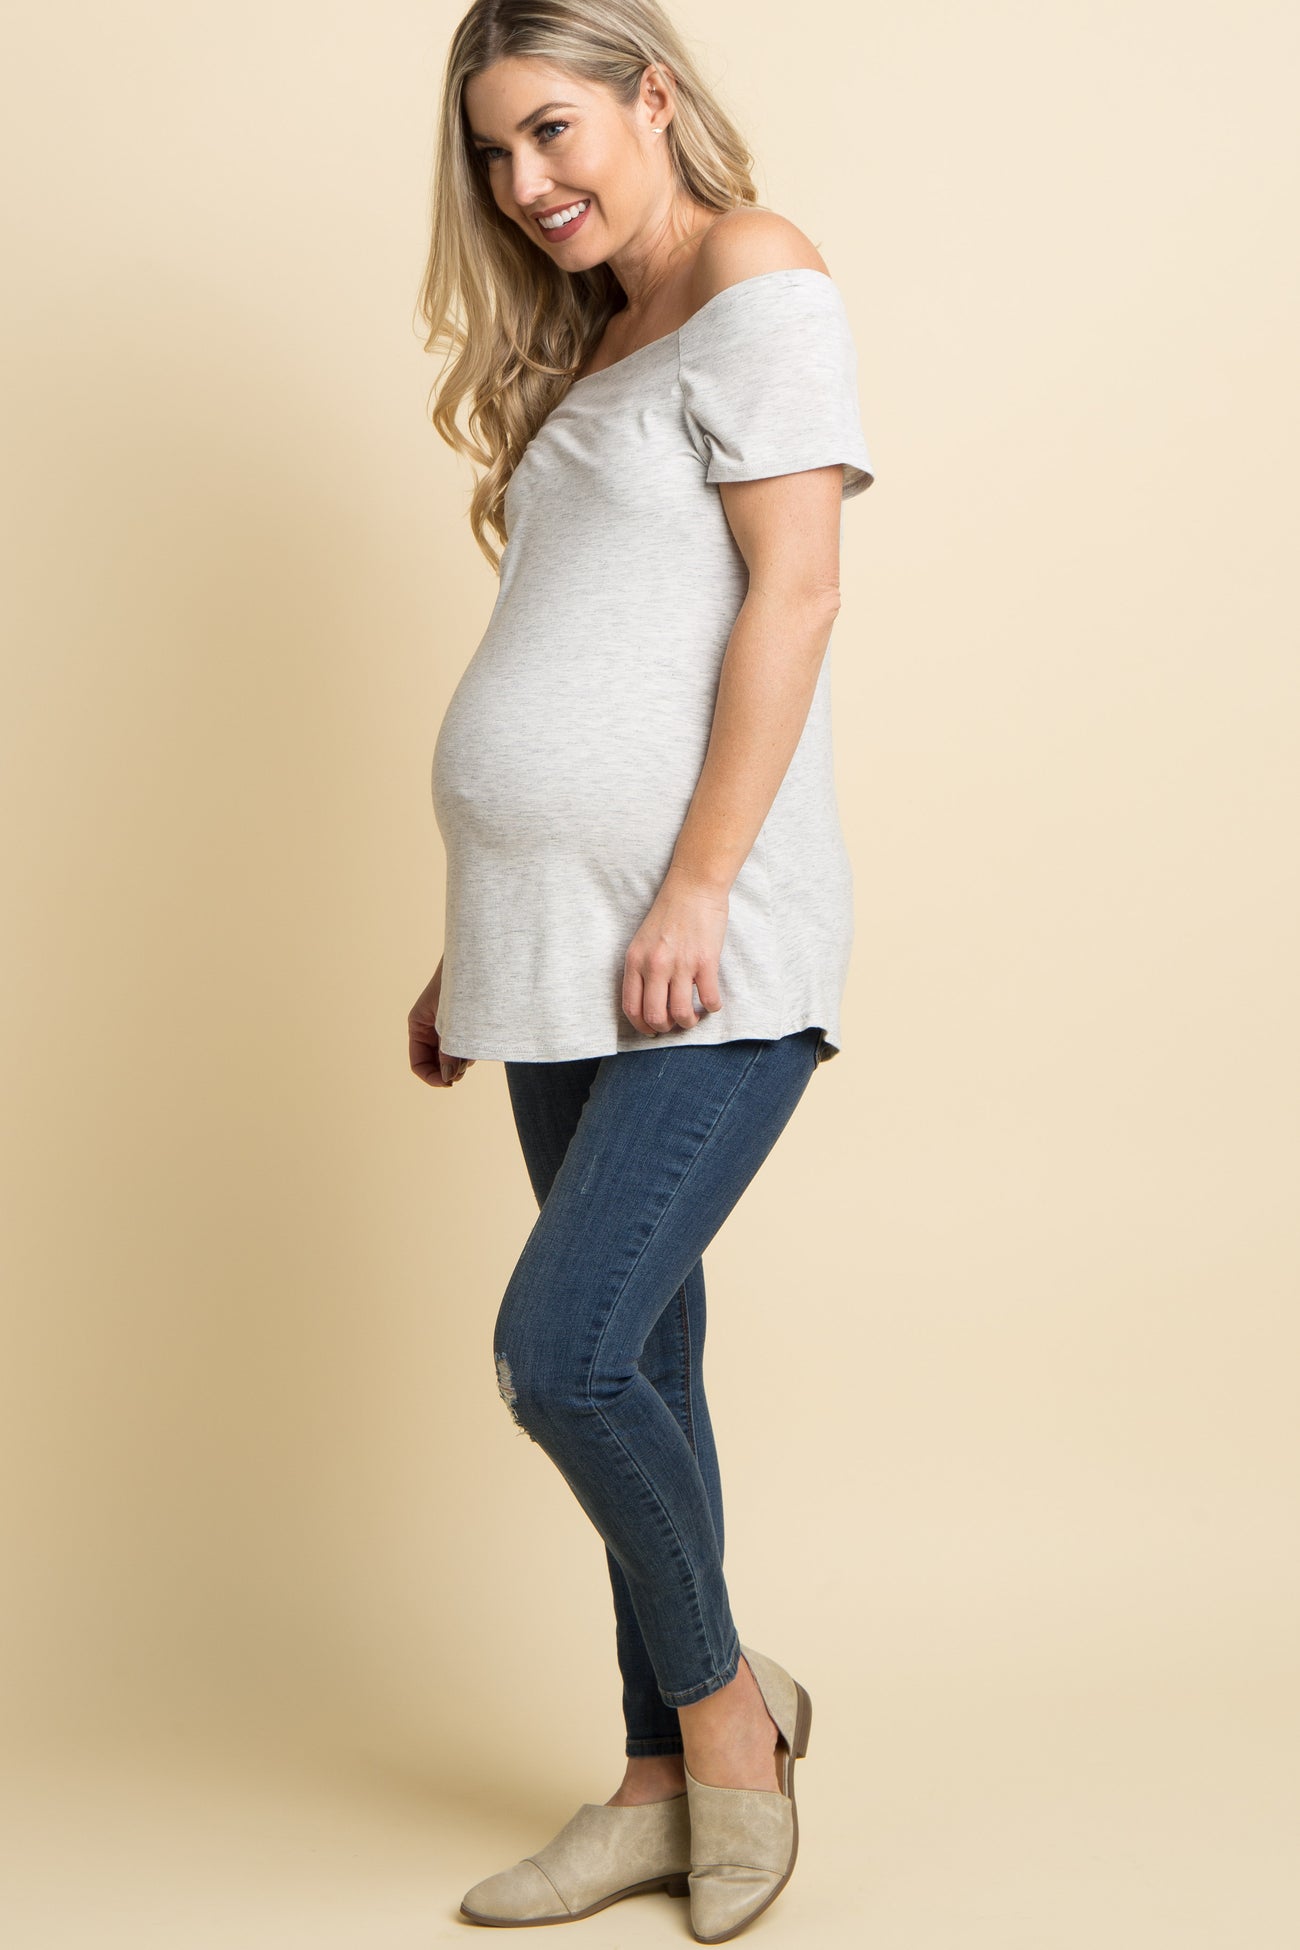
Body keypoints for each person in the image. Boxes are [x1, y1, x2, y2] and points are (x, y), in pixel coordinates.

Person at [407, 2, 876, 1938]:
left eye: (552, 129)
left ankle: (729, 1715)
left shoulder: (754, 269)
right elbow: (583, 640)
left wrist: (695, 883)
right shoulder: (594, 344)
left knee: (568, 1353)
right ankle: (653, 1779)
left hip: (709, 947)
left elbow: (795, 589)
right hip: (545, 951)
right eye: (493, 154)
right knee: (652, 1372)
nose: (525, 181)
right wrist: (474, 931)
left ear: (650, 96)